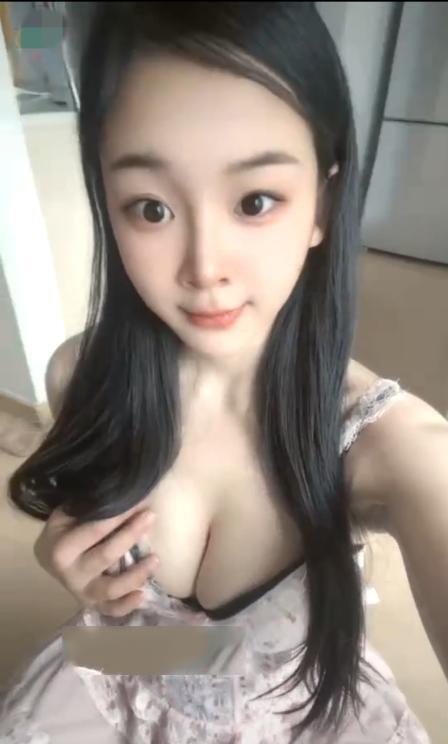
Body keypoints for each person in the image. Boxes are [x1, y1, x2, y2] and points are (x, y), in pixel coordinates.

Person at [1, 2, 447, 742]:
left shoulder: (389, 445)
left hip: (300, 704)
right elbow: (117, 610)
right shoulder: (78, 376)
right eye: (151, 209)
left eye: (255, 201)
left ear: (322, 204)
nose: (204, 269)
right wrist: (70, 564)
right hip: (128, 673)